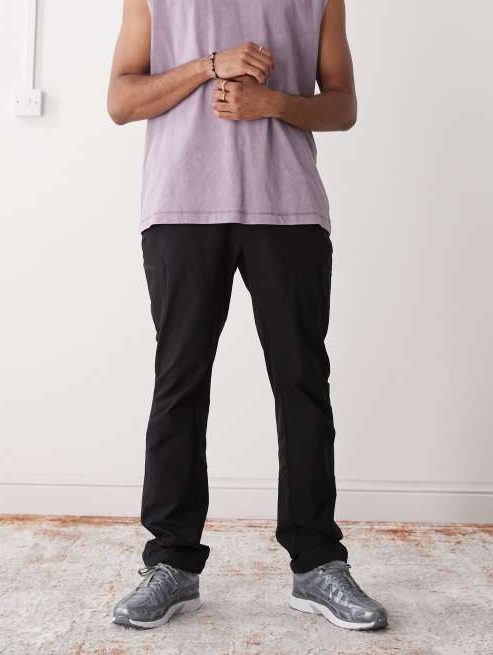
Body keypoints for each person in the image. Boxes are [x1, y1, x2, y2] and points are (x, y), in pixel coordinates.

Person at [107, 0, 387, 631]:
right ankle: (172, 562)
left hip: (289, 211)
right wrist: (208, 66)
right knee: (179, 385)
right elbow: (121, 101)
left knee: (302, 383)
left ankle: (317, 563)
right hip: (181, 210)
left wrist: (276, 103)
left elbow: (342, 106)